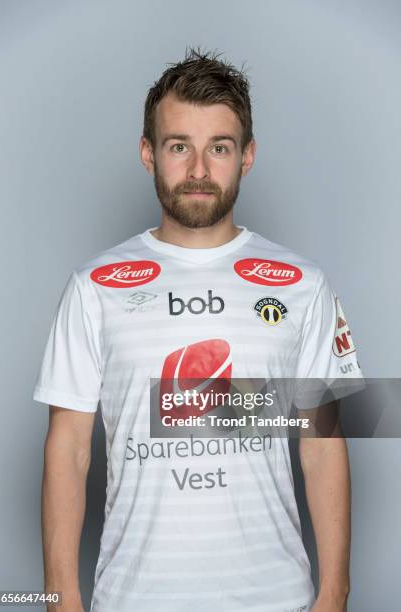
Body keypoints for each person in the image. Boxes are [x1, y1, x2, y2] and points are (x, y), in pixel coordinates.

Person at [33, 48, 364, 612]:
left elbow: (323, 442)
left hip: (275, 598)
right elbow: (68, 452)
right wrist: (60, 601)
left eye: (220, 148)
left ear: (248, 156)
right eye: (178, 146)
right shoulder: (94, 285)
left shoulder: (303, 285)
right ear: (148, 153)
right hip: (134, 599)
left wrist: (334, 592)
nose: (199, 171)